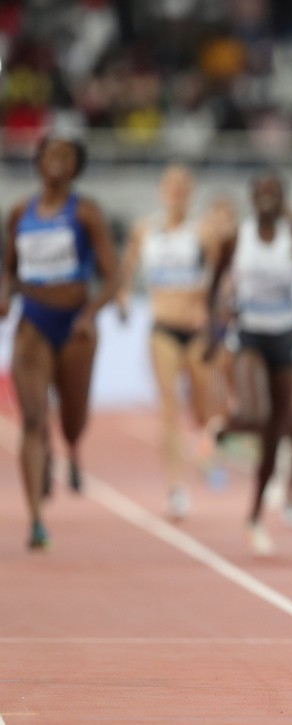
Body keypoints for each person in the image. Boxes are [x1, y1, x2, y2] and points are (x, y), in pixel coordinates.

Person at [0, 134, 120, 549]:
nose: (58, 161)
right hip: (33, 322)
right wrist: (5, 294)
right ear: (38, 162)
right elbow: (9, 268)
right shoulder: (20, 212)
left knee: (72, 420)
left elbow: (113, 276)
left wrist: (89, 315)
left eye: (67, 156)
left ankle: (70, 447)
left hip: (74, 326)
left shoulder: (85, 212)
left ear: (76, 167)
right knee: (33, 418)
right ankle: (36, 519)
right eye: (51, 154)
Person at [206, 170, 292, 556]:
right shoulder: (237, 237)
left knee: (277, 433)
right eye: (261, 192)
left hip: (286, 337)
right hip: (250, 335)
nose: (267, 198)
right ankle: (226, 427)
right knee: (257, 414)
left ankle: (254, 516)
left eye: (274, 192)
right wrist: (212, 333)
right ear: (252, 198)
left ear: (283, 198)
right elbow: (213, 285)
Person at [117, 165, 227, 520]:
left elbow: (222, 277)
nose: (177, 192)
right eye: (171, 186)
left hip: (196, 329)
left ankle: (205, 447)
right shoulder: (144, 230)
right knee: (169, 409)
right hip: (163, 327)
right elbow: (126, 268)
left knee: (202, 406)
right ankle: (176, 487)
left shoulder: (203, 232)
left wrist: (213, 312)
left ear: (190, 193)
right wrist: (122, 296)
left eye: (183, 187)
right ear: (162, 191)